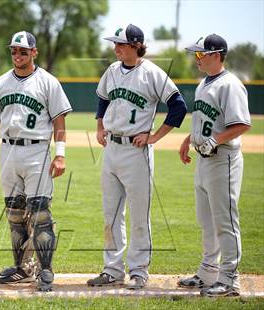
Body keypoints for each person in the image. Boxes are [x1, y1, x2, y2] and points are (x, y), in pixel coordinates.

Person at [87, 24, 187, 290]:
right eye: (114, 44)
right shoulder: (112, 70)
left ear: (136, 46)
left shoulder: (152, 73)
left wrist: (154, 137)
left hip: (136, 151)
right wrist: (99, 126)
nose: (115, 48)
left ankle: (139, 271)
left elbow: (178, 106)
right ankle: (112, 270)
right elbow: (102, 99)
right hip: (112, 149)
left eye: (120, 44)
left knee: (139, 214)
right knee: (111, 214)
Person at [0, 31, 72, 292]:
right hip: (8, 152)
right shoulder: (0, 83)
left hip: (36, 151)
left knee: (40, 213)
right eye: (14, 51)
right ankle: (23, 268)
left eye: (22, 51)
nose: (17, 55)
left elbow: (59, 121)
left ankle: (46, 270)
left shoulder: (48, 82)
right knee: (15, 214)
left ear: (34, 52)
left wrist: (61, 154)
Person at [178, 34, 250, 297]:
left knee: (225, 222)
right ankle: (208, 272)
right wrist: (189, 139)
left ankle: (230, 280)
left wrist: (214, 140)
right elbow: (202, 120)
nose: (196, 59)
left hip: (223, 160)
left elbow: (242, 124)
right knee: (206, 221)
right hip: (203, 160)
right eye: (196, 54)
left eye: (201, 54)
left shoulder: (230, 85)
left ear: (216, 55)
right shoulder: (203, 84)